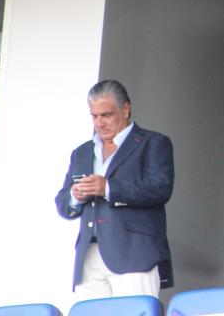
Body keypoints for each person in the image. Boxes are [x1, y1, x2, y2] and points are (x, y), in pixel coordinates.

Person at [55, 79, 174, 299]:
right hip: (88, 257)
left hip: (135, 254)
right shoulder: (81, 152)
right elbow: (62, 204)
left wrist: (108, 188)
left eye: (106, 115)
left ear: (125, 109)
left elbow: (161, 187)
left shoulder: (154, 143)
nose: (99, 123)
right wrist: (75, 195)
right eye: (94, 116)